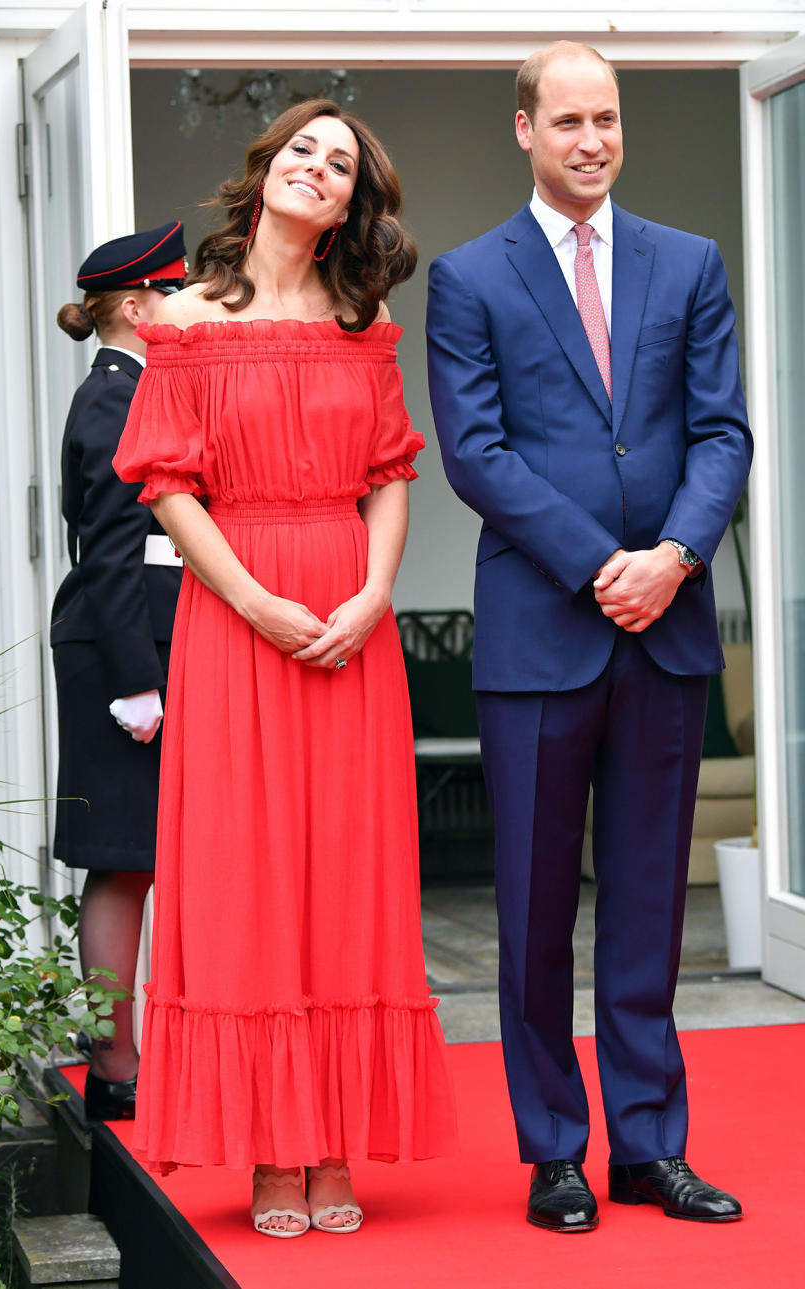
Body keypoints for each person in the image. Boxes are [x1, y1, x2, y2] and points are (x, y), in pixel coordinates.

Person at [113, 100, 458, 1238]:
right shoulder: (186, 322)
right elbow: (167, 485)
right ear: (266, 174)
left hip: (350, 618)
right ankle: (271, 1148)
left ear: (354, 203)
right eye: (304, 149)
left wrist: (373, 593)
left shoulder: (366, 325)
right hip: (234, 612)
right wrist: (255, 598)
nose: (320, 167)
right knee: (245, 875)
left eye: (343, 162)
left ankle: (332, 1141)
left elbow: (393, 471)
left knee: (346, 877)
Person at [426, 42, 753, 1233]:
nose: (591, 141)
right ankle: (554, 1147)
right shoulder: (471, 278)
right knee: (531, 910)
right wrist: (598, 563)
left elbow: (723, 432)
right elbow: (475, 452)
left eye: (606, 119)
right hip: (537, 636)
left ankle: (650, 1146)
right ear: (525, 130)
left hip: (663, 629)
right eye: (567, 120)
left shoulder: (689, 263)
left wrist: (672, 556)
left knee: (652, 903)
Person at [51, 222, 187, 1121]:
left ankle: (136, 1058)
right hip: (123, 646)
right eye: (170, 293)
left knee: (149, 855)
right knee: (123, 859)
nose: (183, 307)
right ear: (135, 306)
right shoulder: (114, 398)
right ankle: (115, 1064)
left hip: (152, 639)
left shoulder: (144, 390)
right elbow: (108, 552)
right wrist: (138, 680)